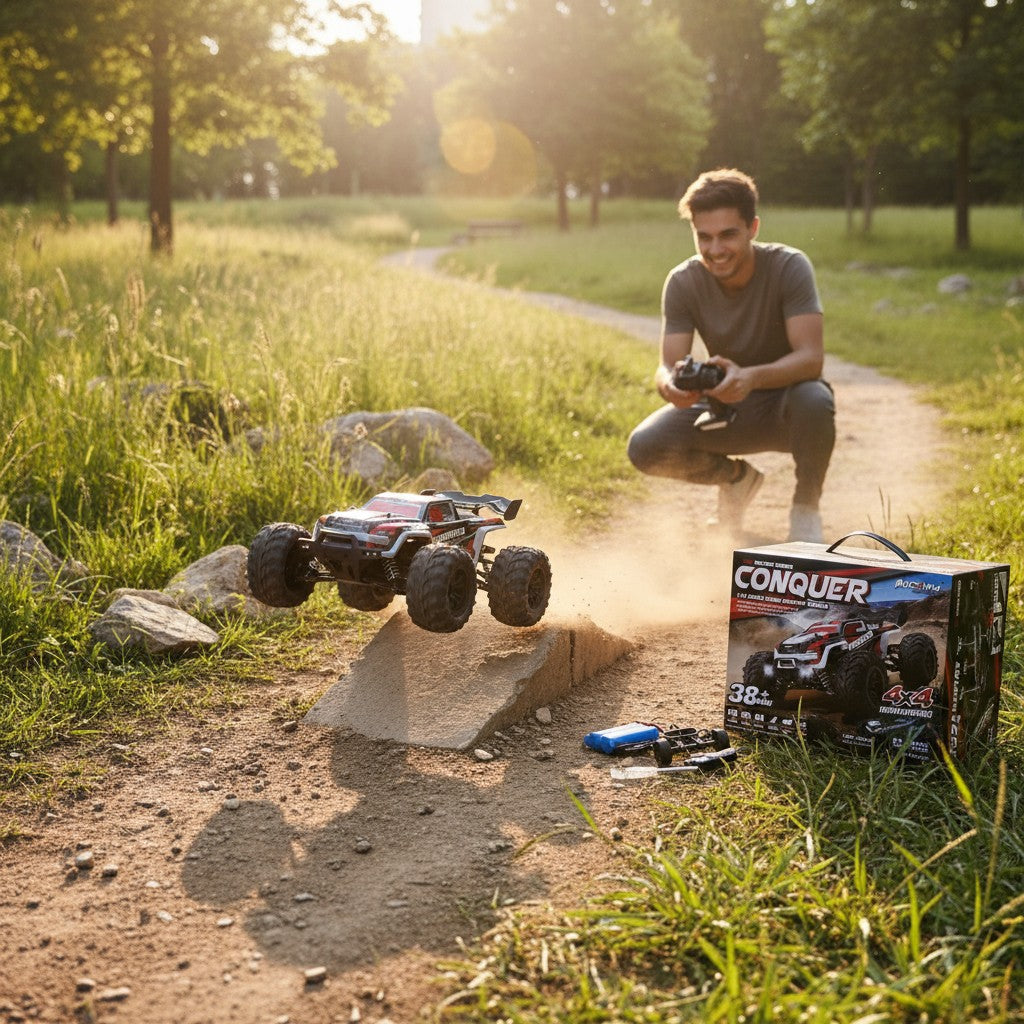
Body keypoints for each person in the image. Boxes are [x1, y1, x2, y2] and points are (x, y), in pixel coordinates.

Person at [627, 168, 835, 543]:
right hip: (723, 410)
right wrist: (671, 385)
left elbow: (811, 359)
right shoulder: (683, 281)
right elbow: (667, 365)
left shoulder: (790, 266)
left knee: (815, 398)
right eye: (703, 237)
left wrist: (750, 377)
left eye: (727, 235)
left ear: (753, 227)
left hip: (786, 409)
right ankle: (737, 479)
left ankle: (806, 511)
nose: (715, 250)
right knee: (644, 447)